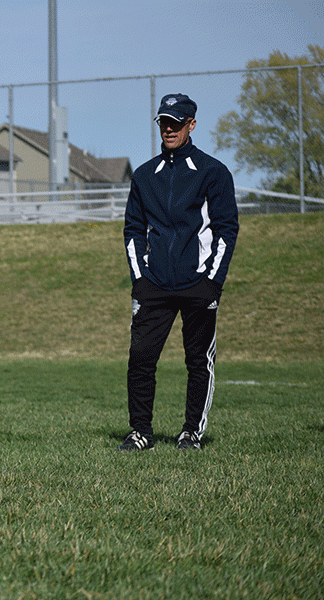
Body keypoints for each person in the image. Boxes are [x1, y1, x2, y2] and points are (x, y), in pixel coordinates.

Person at [119, 93, 239, 451]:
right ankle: (140, 432)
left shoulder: (213, 173)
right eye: (163, 123)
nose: (168, 129)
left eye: (176, 123)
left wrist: (213, 282)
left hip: (198, 284)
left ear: (192, 125)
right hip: (153, 285)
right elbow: (132, 231)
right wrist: (140, 277)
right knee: (140, 359)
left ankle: (191, 432)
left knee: (197, 361)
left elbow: (226, 229)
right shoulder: (143, 176)